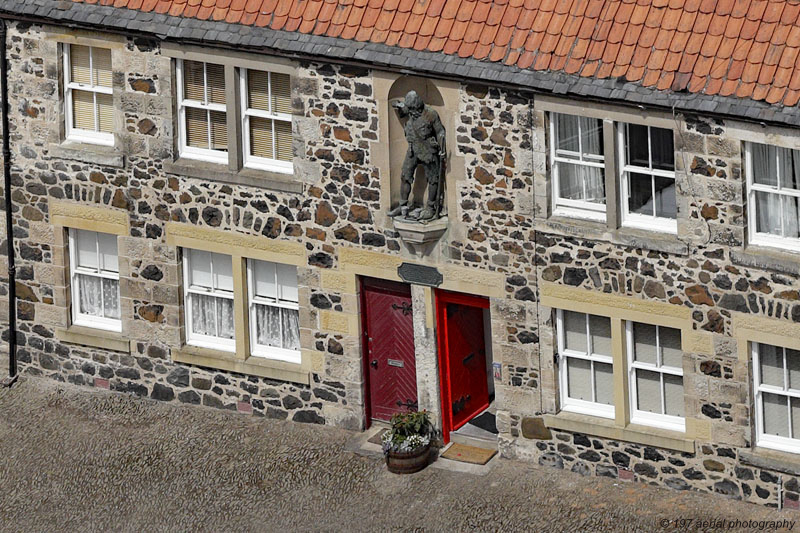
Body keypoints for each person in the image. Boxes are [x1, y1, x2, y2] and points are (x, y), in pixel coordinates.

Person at [388, 90, 446, 221]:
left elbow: (440, 131)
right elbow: (399, 108)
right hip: (413, 148)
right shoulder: (409, 110)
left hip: (428, 150)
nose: (412, 113)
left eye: (413, 110)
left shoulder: (430, 114)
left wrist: (442, 149)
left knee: (433, 179)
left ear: (418, 107)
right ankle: (403, 205)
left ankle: (430, 207)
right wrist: (399, 106)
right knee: (405, 175)